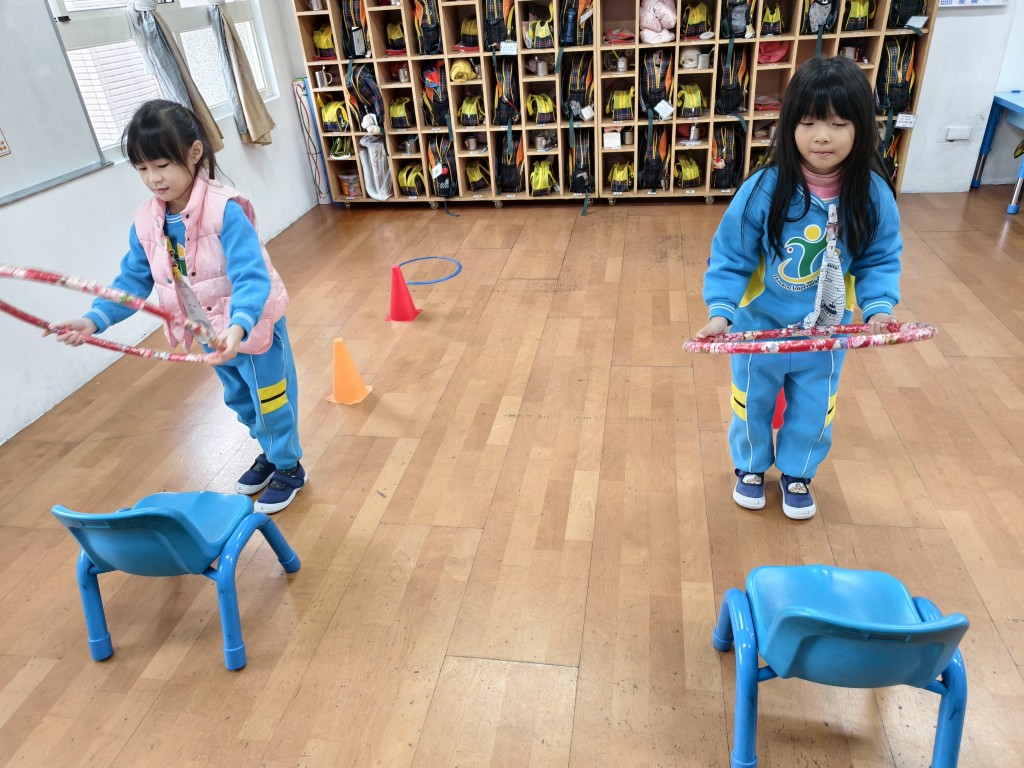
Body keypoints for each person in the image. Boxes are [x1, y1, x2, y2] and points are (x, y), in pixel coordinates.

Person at [46, 100, 306, 514]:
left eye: (162, 165)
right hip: (208, 332)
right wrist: (94, 320)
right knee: (241, 401)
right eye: (142, 168)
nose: (153, 178)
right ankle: (270, 453)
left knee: (271, 401)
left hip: (251, 328)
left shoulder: (225, 210)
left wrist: (238, 327)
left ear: (194, 152)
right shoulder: (146, 221)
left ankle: (288, 466)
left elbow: (250, 277)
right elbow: (133, 281)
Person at [695, 56, 901, 520]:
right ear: (788, 126)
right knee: (751, 404)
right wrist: (721, 312)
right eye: (808, 123)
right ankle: (750, 467)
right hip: (758, 328)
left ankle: (798, 473)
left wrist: (878, 309)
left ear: (862, 127)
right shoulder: (763, 189)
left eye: (838, 124)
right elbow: (731, 255)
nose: (821, 136)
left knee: (815, 409)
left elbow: (879, 259)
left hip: (824, 335)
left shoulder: (873, 195)